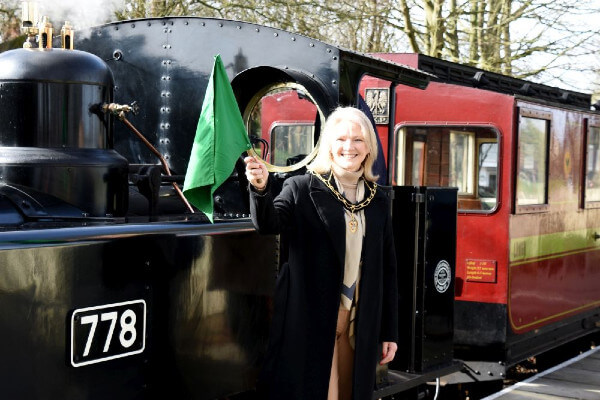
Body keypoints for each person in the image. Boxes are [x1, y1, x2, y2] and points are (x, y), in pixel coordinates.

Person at [244, 106, 398, 400]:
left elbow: (387, 269)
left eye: (357, 140)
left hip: (359, 326)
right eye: (340, 139)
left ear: (368, 149)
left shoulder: (379, 200)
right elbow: (268, 223)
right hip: (312, 323)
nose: (348, 147)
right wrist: (261, 188)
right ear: (328, 145)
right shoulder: (301, 188)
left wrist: (389, 332)